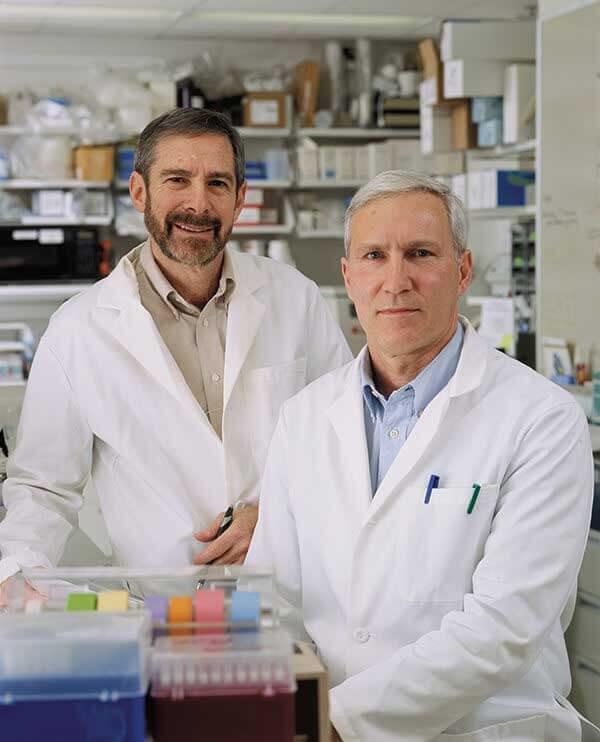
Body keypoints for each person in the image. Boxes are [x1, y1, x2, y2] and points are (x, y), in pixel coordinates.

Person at [247, 171, 597, 742]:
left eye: (420, 253)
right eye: (374, 255)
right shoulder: (305, 416)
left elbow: (505, 626)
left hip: (481, 730)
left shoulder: (542, 419)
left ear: (462, 271)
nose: (395, 280)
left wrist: (338, 720)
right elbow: (271, 597)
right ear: (347, 275)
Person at [0, 108, 351, 587]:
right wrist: (15, 572)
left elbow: (344, 440)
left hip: (288, 594)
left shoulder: (295, 298)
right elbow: (43, 487)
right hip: (161, 608)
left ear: (241, 199)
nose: (198, 204)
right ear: (140, 192)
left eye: (218, 183)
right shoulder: (79, 331)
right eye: (178, 180)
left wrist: (273, 514)